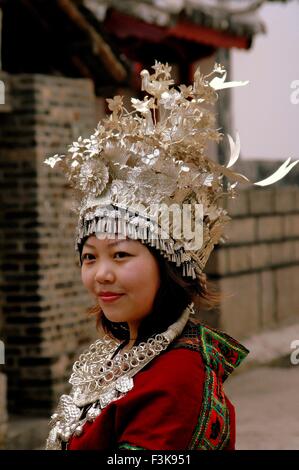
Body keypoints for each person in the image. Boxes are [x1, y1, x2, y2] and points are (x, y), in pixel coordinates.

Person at [44, 61, 295, 451]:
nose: (101, 274)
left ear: (170, 265)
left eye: (122, 254)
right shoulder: (121, 350)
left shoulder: (177, 377)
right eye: (90, 257)